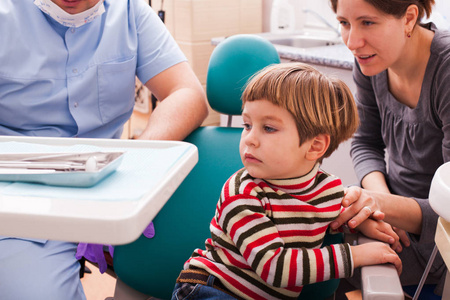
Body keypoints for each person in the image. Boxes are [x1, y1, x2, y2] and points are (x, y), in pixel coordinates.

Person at [0, 0, 208, 299]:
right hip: (24, 199)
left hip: (112, 187)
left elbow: (186, 93)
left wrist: (138, 166)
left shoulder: (130, 13)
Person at [171, 63, 402, 300]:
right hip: (212, 288)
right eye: (247, 125)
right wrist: (355, 256)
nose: (250, 139)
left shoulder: (328, 189)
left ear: (315, 146)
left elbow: (334, 216)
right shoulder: (241, 192)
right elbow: (274, 268)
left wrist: (360, 223)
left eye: (268, 128)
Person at [328, 0, 450, 296]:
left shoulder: (445, 71)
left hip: (435, 237)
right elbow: (365, 142)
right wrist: (378, 203)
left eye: (367, 22)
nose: (352, 42)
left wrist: (379, 206)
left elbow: (448, 208)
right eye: (344, 23)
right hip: (387, 212)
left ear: (409, 18)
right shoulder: (372, 59)